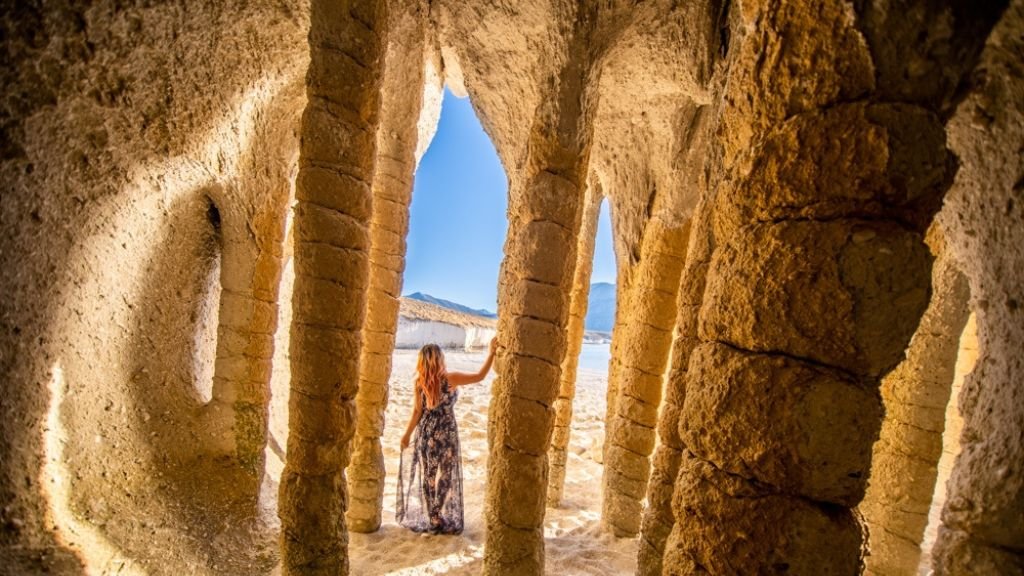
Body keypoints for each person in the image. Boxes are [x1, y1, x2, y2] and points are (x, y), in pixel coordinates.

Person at [396, 338, 497, 534]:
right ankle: (436, 511)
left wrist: (407, 435)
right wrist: (491, 353)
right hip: (447, 433)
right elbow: (480, 376)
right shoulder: (450, 379)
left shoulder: (419, 383)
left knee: (429, 475)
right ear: (440, 359)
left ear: (422, 362)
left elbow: (417, 412)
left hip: (427, 432)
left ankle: (433, 517)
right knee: (446, 474)